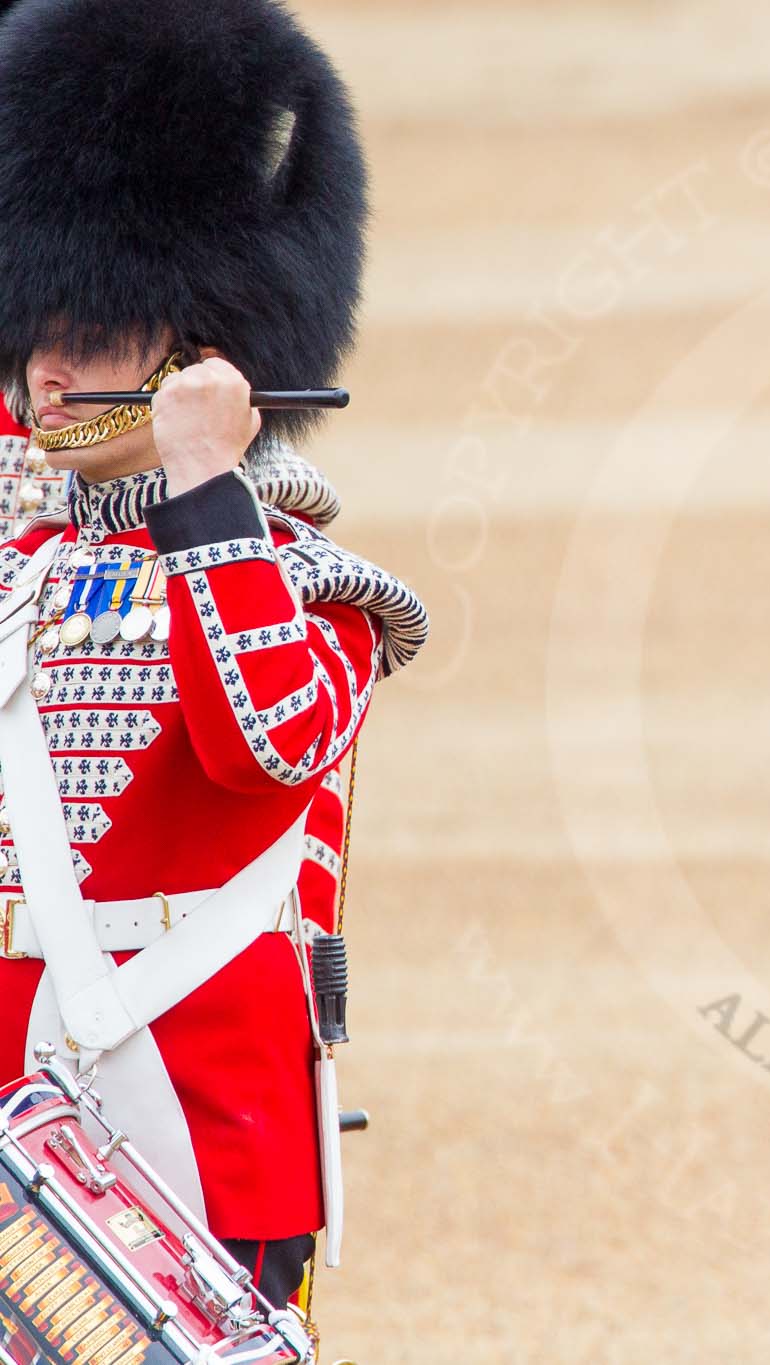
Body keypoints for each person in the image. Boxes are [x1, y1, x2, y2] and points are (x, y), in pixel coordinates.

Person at [0, 0, 426, 1311]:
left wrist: (204, 485)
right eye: (41, 329)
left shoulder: (304, 579)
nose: (57, 368)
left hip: (203, 1110)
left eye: (102, 331)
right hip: (18, 1103)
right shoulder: (18, 567)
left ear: (199, 347)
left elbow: (270, 742)